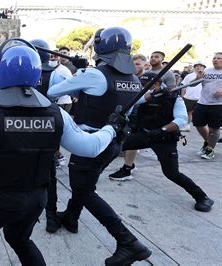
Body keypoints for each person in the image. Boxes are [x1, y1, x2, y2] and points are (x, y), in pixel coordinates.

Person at [0, 39, 128, 266]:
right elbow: (91, 147)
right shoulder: (58, 115)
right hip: (35, 199)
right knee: (19, 239)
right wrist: (111, 129)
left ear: (1, 71)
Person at [48, 27, 152, 265]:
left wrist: (82, 72)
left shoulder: (95, 74)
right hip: (114, 142)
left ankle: (128, 242)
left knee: (84, 190)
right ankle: (72, 217)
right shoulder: (134, 79)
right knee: (86, 184)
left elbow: (54, 92)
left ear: (100, 47)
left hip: (89, 140)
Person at [109, 77, 215, 212]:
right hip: (143, 134)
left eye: (145, 85)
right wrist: (152, 95)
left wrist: (162, 130)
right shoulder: (144, 95)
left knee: (172, 173)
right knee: (112, 149)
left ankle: (202, 197)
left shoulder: (174, 98)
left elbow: (181, 119)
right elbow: (132, 104)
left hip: (164, 138)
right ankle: (90, 180)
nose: (142, 88)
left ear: (157, 84)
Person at [29, 39, 63, 234]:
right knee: (50, 176)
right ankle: (50, 215)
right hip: (47, 127)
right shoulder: (56, 73)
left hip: (20, 128)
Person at [192, 52, 222, 159]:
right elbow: (192, 84)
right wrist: (197, 77)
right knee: (198, 124)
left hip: (218, 105)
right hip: (202, 103)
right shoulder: (207, 71)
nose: (215, 60)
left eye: (219, 58)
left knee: (214, 129)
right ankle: (209, 143)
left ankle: (209, 149)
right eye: (214, 58)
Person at [180, 61, 206, 131]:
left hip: (201, 98)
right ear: (194, 67)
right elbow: (183, 86)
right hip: (189, 97)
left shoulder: (206, 75)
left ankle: (204, 126)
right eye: (197, 66)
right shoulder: (189, 76)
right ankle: (187, 126)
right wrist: (182, 96)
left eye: (201, 66)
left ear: (204, 68)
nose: (199, 67)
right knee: (188, 112)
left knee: (201, 114)